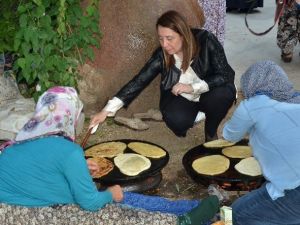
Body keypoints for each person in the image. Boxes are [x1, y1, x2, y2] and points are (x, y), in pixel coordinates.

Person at [0, 86, 219, 225]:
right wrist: (111, 194)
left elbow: (40, 173)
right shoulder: (68, 152)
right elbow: (90, 203)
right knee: (115, 215)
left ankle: (189, 208)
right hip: (34, 216)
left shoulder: (18, 143)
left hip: (10, 210)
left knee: (125, 200)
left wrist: (79, 167)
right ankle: (180, 222)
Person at [90, 10, 236, 142]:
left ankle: (210, 132)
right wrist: (106, 110)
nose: (164, 44)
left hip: (209, 92)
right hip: (182, 98)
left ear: (183, 34)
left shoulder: (206, 41)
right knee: (177, 121)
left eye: (169, 38)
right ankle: (197, 114)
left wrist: (192, 87)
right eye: (161, 38)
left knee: (224, 94)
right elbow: (139, 81)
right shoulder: (161, 56)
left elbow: (224, 74)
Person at [222, 60, 300, 225]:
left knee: (237, 213)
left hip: (296, 191)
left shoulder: (253, 106)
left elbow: (229, 135)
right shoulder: (296, 99)